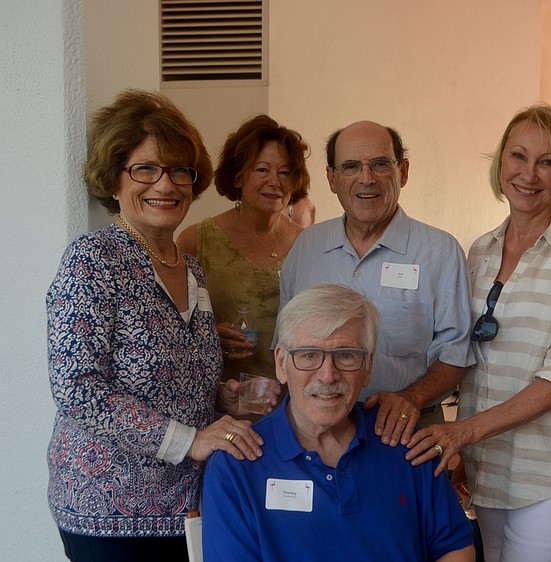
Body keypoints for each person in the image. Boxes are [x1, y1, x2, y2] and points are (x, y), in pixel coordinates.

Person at [46, 90, 265, 562]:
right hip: (111, 511)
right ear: (114, 178)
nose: (165, 185)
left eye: (179, 170)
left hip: (186, 507)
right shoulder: (93, 261)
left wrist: (221, 398)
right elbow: (78, 387)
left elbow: (179, 377)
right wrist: (191, 439)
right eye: (145, 169)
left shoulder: (190, 268)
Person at [406, 104, 551, 562]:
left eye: (548, 162)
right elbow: (461, 349)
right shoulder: (480, 250)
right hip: (488, 465)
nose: (530, 174)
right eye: (519, 156)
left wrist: (464, 433)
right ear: (501, 163)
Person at [202, 284, 475, 561]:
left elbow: (455, 548)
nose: (328, 375)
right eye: (309, 355)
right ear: (281, 363)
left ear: (367, 368)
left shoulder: (407, 446)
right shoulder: (236, 465)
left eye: (345, 355)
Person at [278, 120, 474, 443]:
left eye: (380, 164)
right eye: (351, 166)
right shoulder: (307, 249)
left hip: (406, 434)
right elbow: (285, 346)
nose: (366, 178)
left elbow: (457, 354)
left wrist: (411, 397)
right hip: (314, 437)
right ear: (331, 178)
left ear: (404, 172)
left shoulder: (440, 252)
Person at [178, 114, 309, 384]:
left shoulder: (308, 244)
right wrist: (210, 335)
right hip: (221, 397)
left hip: (293, 401)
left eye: (284, 172)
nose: (275, 181)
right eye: (262, 169)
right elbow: (172, 328)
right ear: (238, 177)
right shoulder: (197, 240)